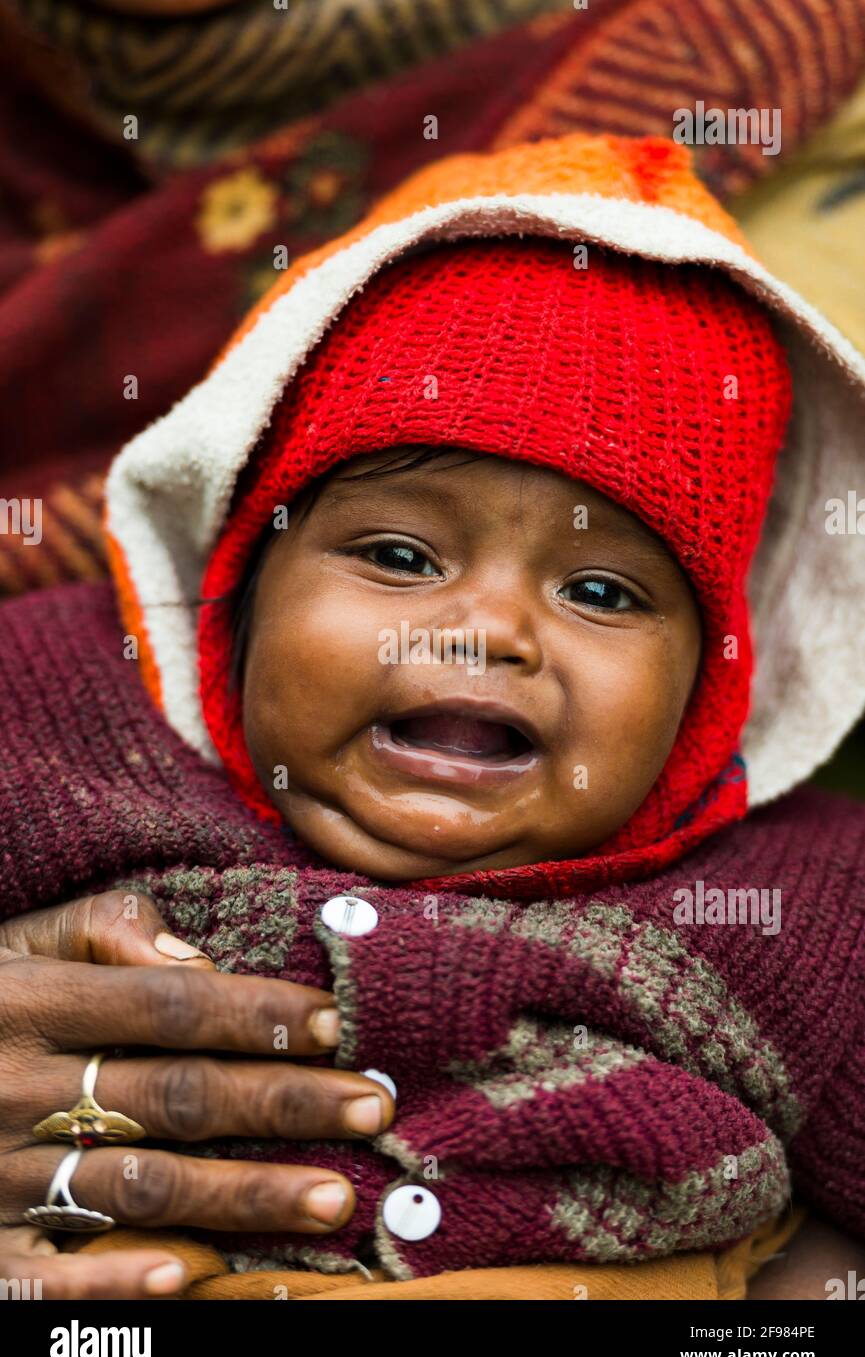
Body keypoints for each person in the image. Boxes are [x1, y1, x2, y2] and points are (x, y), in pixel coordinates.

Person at [1, 132, 864, 1297]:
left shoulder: (808, 906)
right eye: (399, 555)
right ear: (237, 586)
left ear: (710, 695)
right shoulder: (60, 714)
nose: (488, 631)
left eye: (601, 591)